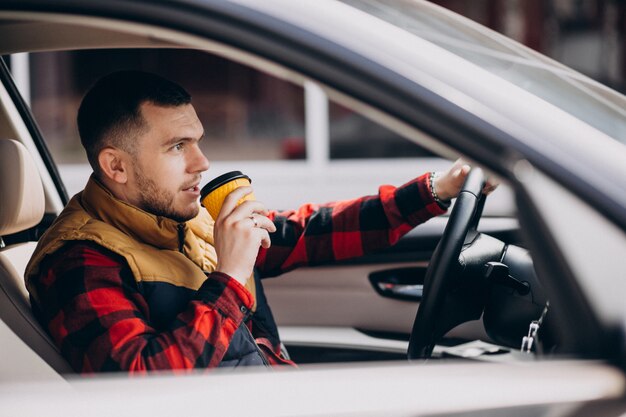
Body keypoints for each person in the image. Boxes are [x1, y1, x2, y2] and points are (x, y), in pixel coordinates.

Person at [25, 71, 493, 373]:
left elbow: (310, 231)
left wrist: (437, 189)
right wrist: (228, 278)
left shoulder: (180, 216)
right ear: (117, 166)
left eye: (198, 141)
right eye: (177, 147)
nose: (202, 162)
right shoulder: (78, 262)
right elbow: (144, 386)